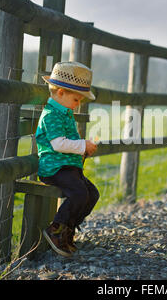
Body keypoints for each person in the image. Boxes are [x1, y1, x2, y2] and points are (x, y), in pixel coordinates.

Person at [36, 61, 99, 257]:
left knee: (92, 194)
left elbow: (68, 142)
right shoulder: (51, 115)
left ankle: (68, 230)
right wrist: (82, 145)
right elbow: (58, 144)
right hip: (55, 168)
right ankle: (56, 229)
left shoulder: (65, 112)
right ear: (61, 92)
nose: (78, 103)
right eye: (76, 99)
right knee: (79, 194)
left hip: (68, 166)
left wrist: (83, 149)